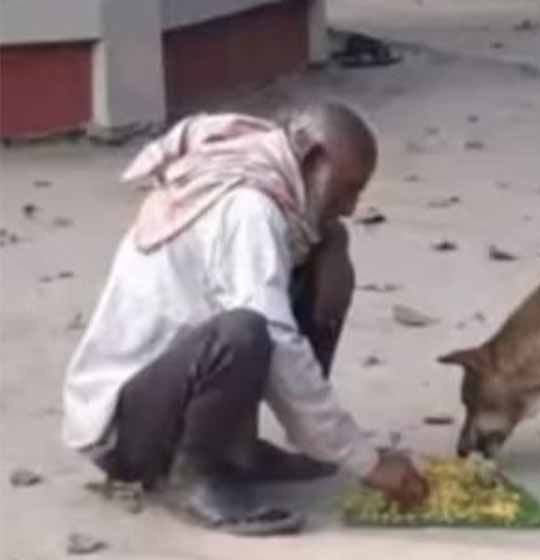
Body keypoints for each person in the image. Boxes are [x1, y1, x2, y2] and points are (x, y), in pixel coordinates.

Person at [61, 102, 428, 535]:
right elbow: (275, 337)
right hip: (126, 434)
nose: (350, 206)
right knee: (246, 331)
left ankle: (237, 452)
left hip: (172, 388)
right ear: (311, 162)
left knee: (328, 248)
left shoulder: (274, 179)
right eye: (346, 189)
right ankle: (194, 477)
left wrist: (332, 253)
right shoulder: (249, 208)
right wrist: (364, 461)